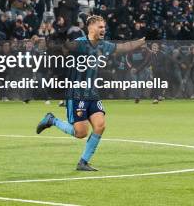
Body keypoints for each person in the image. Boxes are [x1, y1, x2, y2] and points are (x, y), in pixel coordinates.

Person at [36, 15, 145, 171]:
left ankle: (83, 162)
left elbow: (123, 47)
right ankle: (52, 120)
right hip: (76, 94)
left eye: (104, 27)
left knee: (100, 126)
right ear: (91, 27)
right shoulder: (79, 44)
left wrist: (141, 42)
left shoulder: (103, 45)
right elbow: (64, 48)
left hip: (92, 94)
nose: (103, 30)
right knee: (81, 133)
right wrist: (54, 44)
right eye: (100, 27)